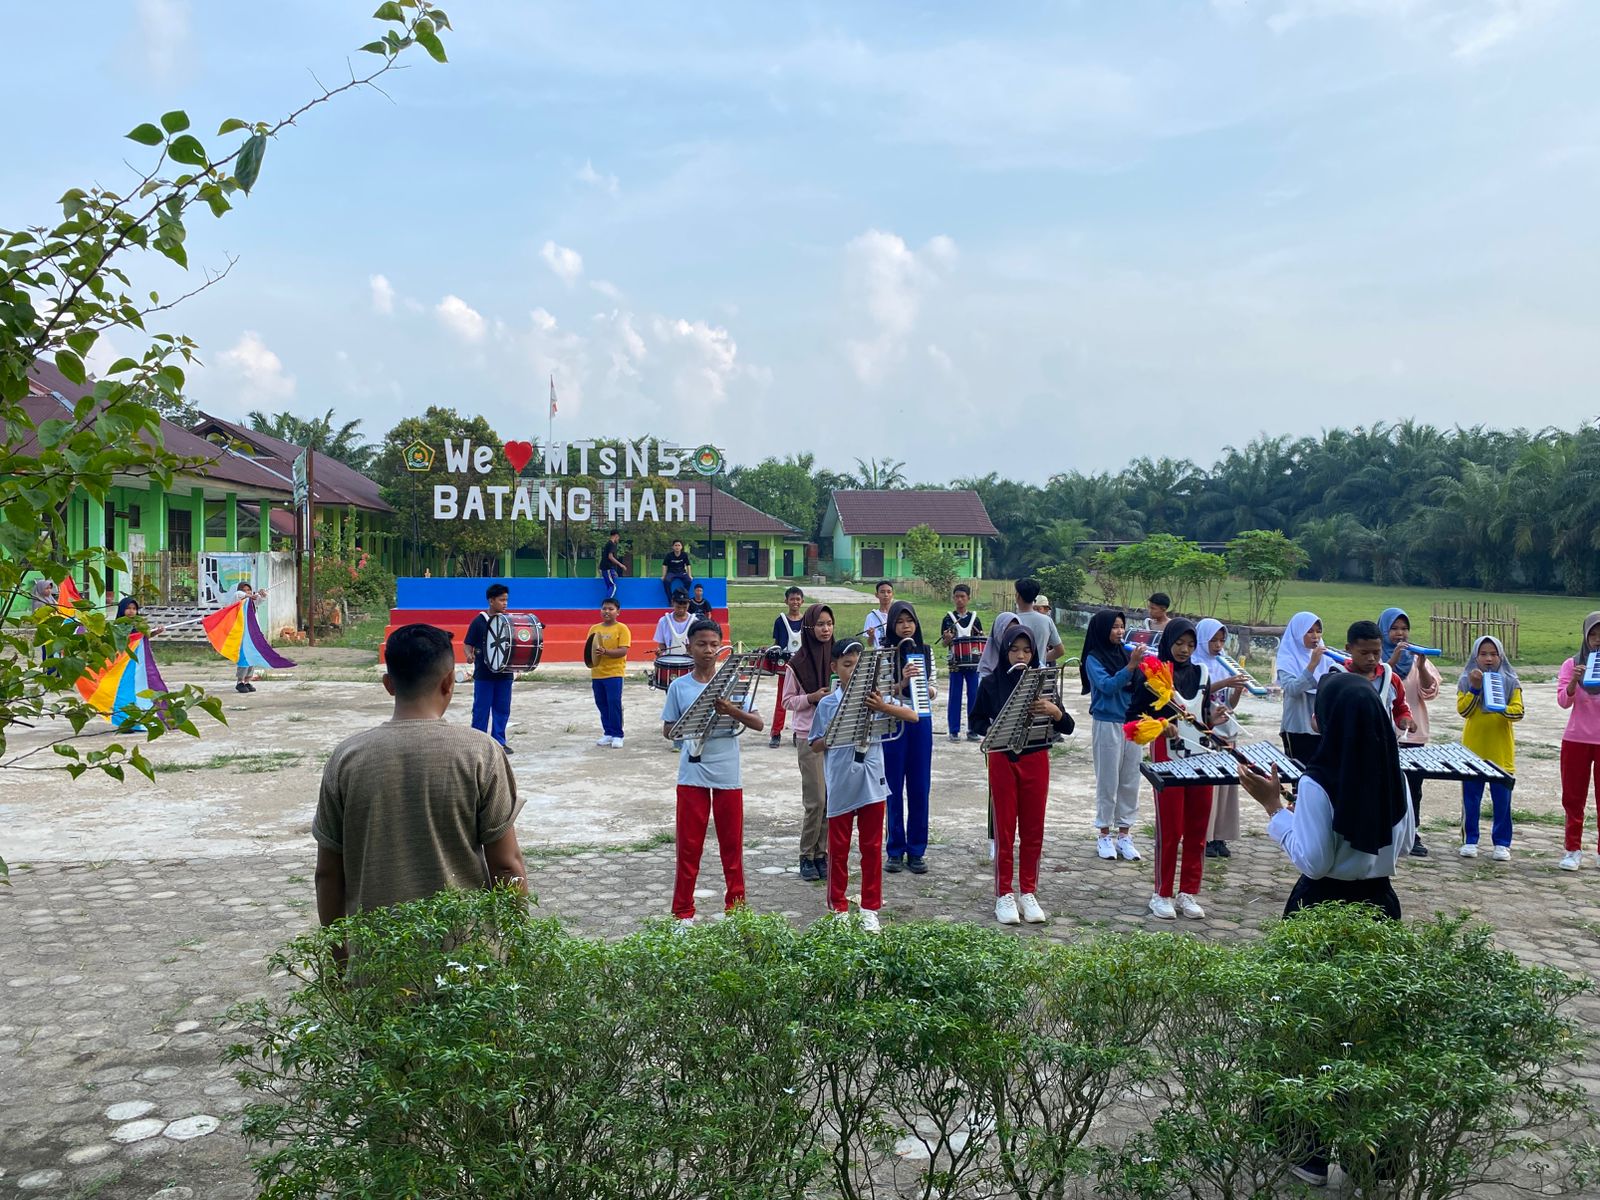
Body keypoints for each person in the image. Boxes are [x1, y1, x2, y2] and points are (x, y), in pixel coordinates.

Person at [1237, 671, 1415, 1189]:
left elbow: (1313, 861)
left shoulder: (1318, 781)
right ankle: (1373, 1159)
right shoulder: (1396, 773)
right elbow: (1403, 843)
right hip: (1379, 906)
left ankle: (1307, 1151)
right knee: (1371, 1030)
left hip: (1322, 909)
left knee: (1307, 1026)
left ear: (1328, 721)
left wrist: (1276, 808)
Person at [313, 623, 527, 931]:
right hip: (467, 951)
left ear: (389, 684)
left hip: (377, 950)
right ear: (449, 682)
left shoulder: (346, 758)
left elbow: (328, 873)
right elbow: (506, 866)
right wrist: (518, 945)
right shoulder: (481, 753)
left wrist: (339, 955)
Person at [809, 639, 918, 932]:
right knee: (839, 848)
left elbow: (913, 715)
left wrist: (883, 706)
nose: (852, 671)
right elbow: (814, 744)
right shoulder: (828, 704)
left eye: (858, 666)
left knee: (871, 847)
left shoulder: (876, 697)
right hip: (841, 782)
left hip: (872, 781)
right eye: (846, 665)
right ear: (834, 667)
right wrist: (832, 736)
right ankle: (838, 907)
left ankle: (870, 908)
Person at [660, 618, 762, 925]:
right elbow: (668, 730)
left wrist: (731, 710)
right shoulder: (679, 687)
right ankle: (683, 915)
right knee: (689, 847)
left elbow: (758, 723)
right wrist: (692, 721)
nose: (708, 650)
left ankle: (736, 911)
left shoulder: (734, 683)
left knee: (732, 846)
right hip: (692, 773)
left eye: (714, 645)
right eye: (701, 644)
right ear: (688, 646)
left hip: (728, 773)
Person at [971, 625, 1075, 925]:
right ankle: (1004, 893)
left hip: (1036, 758)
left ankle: (1028, 891)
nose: (1020, 655)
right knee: (1004, 829)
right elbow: (976, 721)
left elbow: (1067, 726)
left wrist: (1054, 711)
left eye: (1027, 651)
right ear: (1004, 651)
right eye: (1014, 650)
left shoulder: (1043, 683)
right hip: (1002, 759)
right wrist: (994, 729)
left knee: (1033, 829)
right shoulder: (991, 683)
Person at [1128, 617, 1215, 921]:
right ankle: (1162, 893)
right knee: (1171, 829)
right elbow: (1132, 718)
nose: (1184, 650)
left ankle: (1188, 891)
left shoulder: (1202, 673)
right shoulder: (1152, 674)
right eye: (1179, 643)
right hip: (1168, 758)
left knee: (1198, 828)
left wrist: (1216, 716)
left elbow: (1205, 714)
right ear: (1168, 642)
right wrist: (1161, 725)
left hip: (1203, 757)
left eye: (1190, 644)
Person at [877, 601, 935, 876]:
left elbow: (933, 688)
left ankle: (916, 850)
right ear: (891, 625)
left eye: (909, 620)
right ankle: (895, 849)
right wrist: (902, 682)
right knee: (892, 786)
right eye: (899, 622)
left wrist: (923, 686)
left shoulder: (925, 651)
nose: (905, 626)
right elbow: (879, 693)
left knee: (920, 786)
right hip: (892, 720)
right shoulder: (884, 654)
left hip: (921, 720)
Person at [1081, 610, 1144, 862]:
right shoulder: (1093, 658)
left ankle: (1125, 835)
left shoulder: (1128, 653)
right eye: (1115, 627)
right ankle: (1104, 834)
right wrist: (1131, 667)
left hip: (1133, 722)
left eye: (1122, 626)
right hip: (1107, 723)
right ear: (1102, 629)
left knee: (1130, 780)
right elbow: (1106, 687)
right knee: (1108, 781)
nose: (1120, 631)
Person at [1379, 607, 1441, 858]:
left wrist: (1422, 666)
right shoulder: (1376, 658)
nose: (1400, 633)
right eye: (1394, 628)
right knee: (1384, 785)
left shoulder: (1416, 658)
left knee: (1413, 787)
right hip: (1383, 734)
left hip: (1413, 735)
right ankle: (1384, 832)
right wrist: (1392, 661)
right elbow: (1377, 683)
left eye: (1404, 628)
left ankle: (1412, 834)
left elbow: (1429, 691)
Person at [1456, 635, 1523, 861]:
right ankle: (1470, 840)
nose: (1488, 659)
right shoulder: (1465, 680)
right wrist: (1475, 689)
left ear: (1501, 656)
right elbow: (1463, 711)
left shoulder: (1511, 681)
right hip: (1472, 752)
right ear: (1475, 656)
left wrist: (1501, 707)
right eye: (1483, 654)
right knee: (1471, 800)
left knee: (1502, 802)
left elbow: (1519, 711)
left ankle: (1502, 843)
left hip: (1501, 752)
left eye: (1494, 654)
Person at [782, 603, 835, 878]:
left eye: (829, 624)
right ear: (809, 627)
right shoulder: (797, 664)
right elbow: (787, 701)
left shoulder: (839, 657)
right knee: (815, 800)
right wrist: (812, 698)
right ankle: (806, 855)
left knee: (831, 799)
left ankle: (822, 853)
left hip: (836, 735)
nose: (826, 629)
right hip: (809, 736)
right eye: (820, 624)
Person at [1192, 618, 1248, 859]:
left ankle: (1220, 836)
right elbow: (1199, 692)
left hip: (1228, 731)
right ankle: (1203, 836)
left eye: (1222, 640)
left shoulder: (1226, 662)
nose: (1218, 645)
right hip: (1208, 730)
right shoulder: (1196, 663)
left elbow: (1230, 704)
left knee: (1226, 786)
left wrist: (1237, 689)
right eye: (1213, 640)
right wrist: (1226, 682)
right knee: (1209, 788)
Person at [1557, 612, 1600, 871]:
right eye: (1593, 635)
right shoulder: (1571, 664)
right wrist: (1574, 680)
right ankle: (1572, 849)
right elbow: (1563, 702)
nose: (1597, 640)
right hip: (1575, 740)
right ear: (1585, 636)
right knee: (1573, 798)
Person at [462, 583, 516, 754]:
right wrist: (469, 655)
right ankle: (478, 742)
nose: (505, 603)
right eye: (501, 600)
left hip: (505, 674)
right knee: (481, 709)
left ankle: (499, 742)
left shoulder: (508, 621)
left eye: (506, 600)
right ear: (491, 601)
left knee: (502, 709)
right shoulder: (478, 621)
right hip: (484, 674)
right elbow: (467, 643)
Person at [1339, 620, 1416, 737]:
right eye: (1364, 653)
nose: (1371, 658)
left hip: (1384, 745)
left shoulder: (1390, 678)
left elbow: (1401, 709)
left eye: (1376, 652)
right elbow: (1318, 719)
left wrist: (1405, 719)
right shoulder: (1338, 679)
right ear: (1348, 648)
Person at [976, 578, 1065, 676]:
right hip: (1036, 675)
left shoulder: (1010, 621)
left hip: (1012, 675)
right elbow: (1060, 651)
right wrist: (1040, 658)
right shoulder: (1047, 621)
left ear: (1017, 596)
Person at [1276, 611, 1330, 761]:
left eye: (1318, 631)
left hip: (1321, 727)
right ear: (1298, 632)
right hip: (1297, 727)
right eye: (1309, 631)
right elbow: (1292, 689)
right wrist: (1312, 665)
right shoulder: (1287, 658)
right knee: (1300, 771)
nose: (1315, 636)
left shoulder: (1326, 656)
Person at [940, 583, 985, 742]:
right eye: (956, 597)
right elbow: (944, 644)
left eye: (962, 597)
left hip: (973, 663)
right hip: (956, 663)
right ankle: (954, 730)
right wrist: (947, 639)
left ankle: (973, 729)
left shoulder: (975, 619)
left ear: (968, 598)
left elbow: (981, 639)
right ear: (953, 598)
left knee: (974, 695)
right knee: (955, 696)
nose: (959, 600)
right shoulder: (948, 619)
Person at [587, 598, 630, 748]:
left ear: (618, 612)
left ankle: (618, 734)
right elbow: (589, 649)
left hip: (614, 673)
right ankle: (608, 732)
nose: (607, 611)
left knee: (614, 703)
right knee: (601, 703)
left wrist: (605, 652)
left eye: (611, 609)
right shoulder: (594, 628)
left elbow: (623, 651)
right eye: (604, 608)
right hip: (597, 673)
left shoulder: (622, 628)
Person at [768, 586, 806, 748]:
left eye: (798, 599)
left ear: (802, 601)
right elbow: (777, 643)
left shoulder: (807, 621)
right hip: (785, 667)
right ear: (786, 601)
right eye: (792, 599)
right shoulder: (780, 621)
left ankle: (799, 731)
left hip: (803, 667)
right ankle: (776, 733)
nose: (795, 602)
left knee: (802, 700)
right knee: (781, 701)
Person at [232, 581, 260, 693]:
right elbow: (238, 594)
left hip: (253, 634)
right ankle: (240, 682)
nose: (247, 592)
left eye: (249, 590)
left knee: (252, 657)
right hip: (242, 634)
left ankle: (247, 681)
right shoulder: (238, 601)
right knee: (244, 658)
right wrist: (248, 595)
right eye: (244, 590)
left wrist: (262, 594)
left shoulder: (252, 603)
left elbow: (260, 600)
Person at [653, 591, 694, 657]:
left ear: (689, 604)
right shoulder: (663, 621)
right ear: (672, 602)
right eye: (678, 607)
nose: (681, 610)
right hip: (669, 659)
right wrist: (660, 652)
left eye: (684, 607)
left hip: (690, 660)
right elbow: (662, 644)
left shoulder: (695, 622)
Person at [660, 538, 693, 605]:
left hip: (682, 572)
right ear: (673, 547)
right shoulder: (669, 555)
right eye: (675, 545)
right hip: (671, 572)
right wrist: (663, 576)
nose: (677, 547)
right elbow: (664, 565)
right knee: (666, 581)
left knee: (688, 581)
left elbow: (688, 565)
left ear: (681, 547)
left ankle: (683, 596)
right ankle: (671, 600)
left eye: (679, 545)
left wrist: (690, 575)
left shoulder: (684, 555)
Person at [862, 580, 894, 645]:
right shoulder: (871, 617)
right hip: (879, 650)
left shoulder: (898, 614)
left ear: (892, 594)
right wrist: (871, 635)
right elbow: (870, 644)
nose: (886, 595)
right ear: (877, 595)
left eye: (889, 592)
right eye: (882, 592)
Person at [599, 531, 628, 602]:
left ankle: (607, 601)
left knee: (609, 586)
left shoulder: (608, 544)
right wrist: (621, 565)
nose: (618, 539)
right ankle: (607, 602)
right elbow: (610, 557)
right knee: (613, 586)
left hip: (607, 568)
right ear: (616, 536)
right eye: (618, 537)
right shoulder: (611, 544)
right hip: (607, 568)